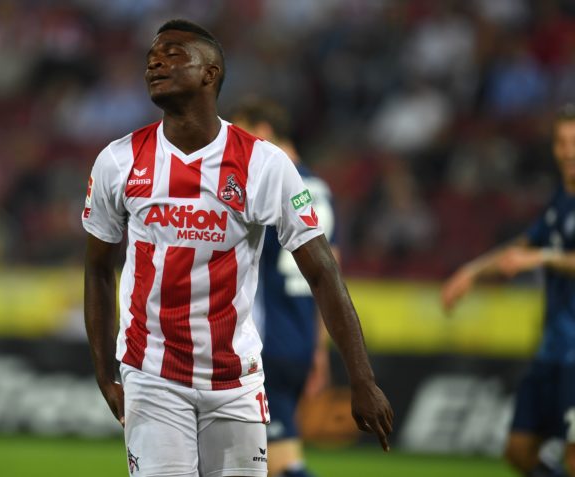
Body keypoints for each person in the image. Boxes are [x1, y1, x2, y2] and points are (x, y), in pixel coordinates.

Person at [83, 19, 393, 477]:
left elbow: (324, 272)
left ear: (209, 74)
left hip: (236, 381)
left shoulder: (264, 165)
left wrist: (362, 379)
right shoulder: (119, 161)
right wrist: (104, 372)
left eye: (173, 54)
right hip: (151, 375)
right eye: (153, 54)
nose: (155, 61)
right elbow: (97, 269)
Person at [441, 104, 575, 477]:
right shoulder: (560, 201)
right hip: (552, 350)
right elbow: (520, 247)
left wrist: (543, 258)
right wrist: (471, 271)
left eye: (574, 142)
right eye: (562, 142)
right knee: (518, 449)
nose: (568, 151)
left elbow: (536, 255)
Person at [231, 98, 336, 477]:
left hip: (265, 336)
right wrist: (319, 349)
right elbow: (330, 268)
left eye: (242, 135)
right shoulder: (319, 188)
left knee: (274, 461)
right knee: (270, 451)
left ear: (263, 133)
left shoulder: (269, 185)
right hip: (300, 335)